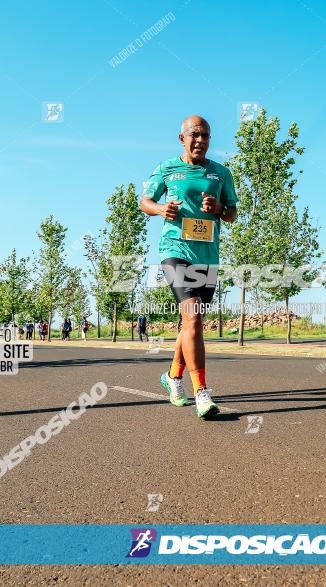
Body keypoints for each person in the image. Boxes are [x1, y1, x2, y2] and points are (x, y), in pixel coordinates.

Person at [139, 115, 238, 419]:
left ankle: (172, 377)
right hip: (175, 250)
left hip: (207, 255)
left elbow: (232, 213)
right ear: (181, 138)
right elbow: (145, 201)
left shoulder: (221, 173)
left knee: (190, 324)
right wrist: (160, 209)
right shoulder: (167, 168)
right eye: (195, 135)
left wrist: (219, 209)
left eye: (206, 136)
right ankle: (201, 392)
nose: (200, 141)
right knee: (193, 319)